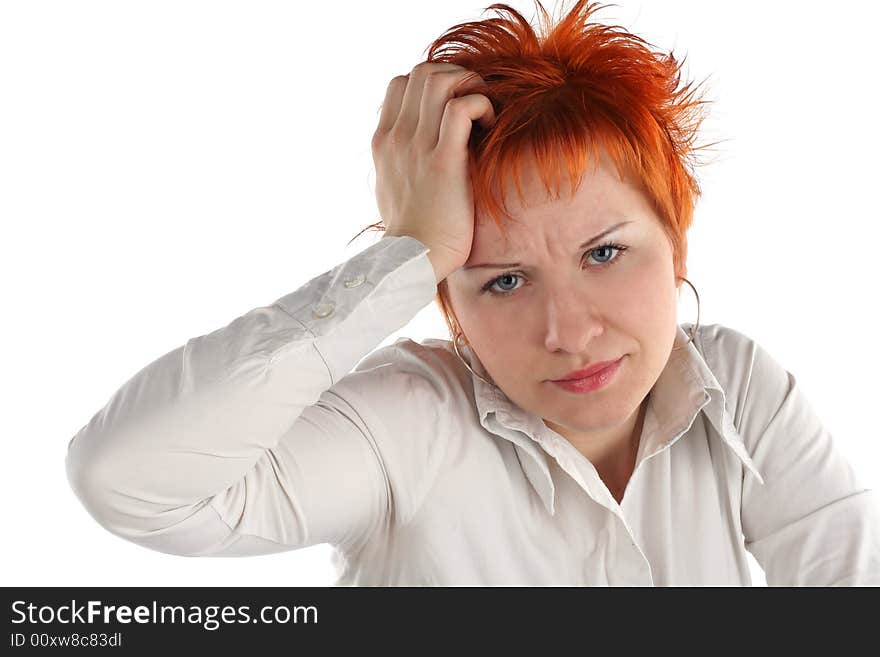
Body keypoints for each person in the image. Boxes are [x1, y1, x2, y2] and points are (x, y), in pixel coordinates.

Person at [64, 0, 880, 585]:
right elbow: (125, 480)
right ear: (447, 297)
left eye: (604, 251)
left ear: (676, 242)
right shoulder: (408, 425)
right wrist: (404, 255)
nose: (568, 330)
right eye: (505, 279)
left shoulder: (738, 390)